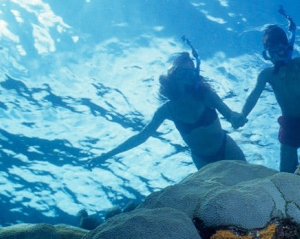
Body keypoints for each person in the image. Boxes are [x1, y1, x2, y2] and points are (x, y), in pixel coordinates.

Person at [87, 52, 246, 170]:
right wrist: (107, 155)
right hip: (201, 159)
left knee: (252, 187)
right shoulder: (166, 110)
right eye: (181, 72)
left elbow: (230, 114)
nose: (186, 77)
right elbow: (142, 136)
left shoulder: (207, 96)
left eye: (190, 73)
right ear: (172, 75)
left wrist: (236, 118)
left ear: (195, 75)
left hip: (226, 148)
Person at [235, 24, 300, 174]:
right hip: (290, 125)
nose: (275, 58)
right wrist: (243, 114)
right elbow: (254, 96)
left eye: (278, 51)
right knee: (285, 172)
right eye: (270, 54)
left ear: (287, 47)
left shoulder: (298, 63)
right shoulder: (267, 74)